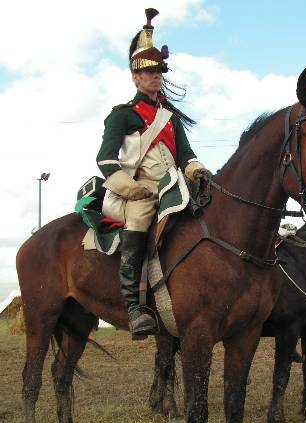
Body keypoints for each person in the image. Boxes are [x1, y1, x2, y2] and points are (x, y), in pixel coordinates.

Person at [96, 8, 210, 340]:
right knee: (140, 218)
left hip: (174, 183)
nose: (155, 76)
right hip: (138, 188)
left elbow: (186, 155)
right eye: (148, 72)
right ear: (135, 77)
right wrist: (131, 190)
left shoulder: (170, 117)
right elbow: (105, 160)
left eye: (159, 71)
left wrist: (197, 169)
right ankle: (134, 308)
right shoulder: (122, 116)